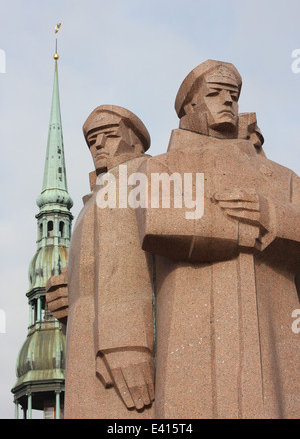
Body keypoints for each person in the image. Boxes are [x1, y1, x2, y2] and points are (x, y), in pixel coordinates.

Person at [136, 60, 300, 419]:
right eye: (214, 93)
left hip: (272, 334)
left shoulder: (281, 176)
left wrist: (269, 215)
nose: (227, 100)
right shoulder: (162, 166)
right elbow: (162, 223)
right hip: (191, 332)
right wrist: (246, 231)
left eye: (234, 95)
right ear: (189, 108)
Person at [47, 105, 154, 419]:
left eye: (108, 135)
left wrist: (126, 340)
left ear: (136, 141)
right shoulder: (94, 197)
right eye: (92, 140)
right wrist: (70, 293)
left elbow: (152, 265)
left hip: (122, 344)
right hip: (87, 339)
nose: (97, 145)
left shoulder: (142, 177)